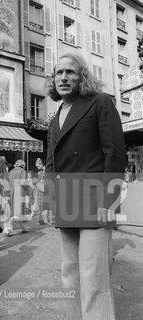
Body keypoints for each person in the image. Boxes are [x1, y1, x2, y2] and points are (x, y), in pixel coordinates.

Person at [45, 53, 126, 319]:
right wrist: (48, 201)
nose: (64, 78)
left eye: (71, 72)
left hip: (95, 201)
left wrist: (109, 200)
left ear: (82, 77)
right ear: (53, 79)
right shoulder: (55, 114)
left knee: (94, 275)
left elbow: (115, 154)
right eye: (59, 73)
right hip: (66, 201)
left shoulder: (100, 102)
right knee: (70, 273)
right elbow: (50, 164)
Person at [9, 159, 29, 232]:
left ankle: (21, 227)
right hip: (19, 192)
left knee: (13, 210)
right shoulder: (23, 171)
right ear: (23, 165)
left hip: (11, 192)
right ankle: (8, 229)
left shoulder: (11, 171)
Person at [35, 158, 45, 224]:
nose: (37, 167)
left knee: (41, 205)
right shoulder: (42, 171)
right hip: (40, 189)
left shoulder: (44, 171)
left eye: (38, 166)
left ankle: (41, 220)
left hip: (42, 190)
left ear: (41, 164)